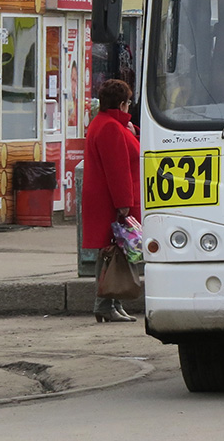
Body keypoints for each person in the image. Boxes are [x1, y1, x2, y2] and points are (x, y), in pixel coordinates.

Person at [81, 78, 142, 321]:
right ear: (122, 103)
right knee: (111, 254)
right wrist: (123, 205)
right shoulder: (111, 128)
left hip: (106, 198)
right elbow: (118, 170)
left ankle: (111, 304)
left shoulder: (105, 124)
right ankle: (105, 304)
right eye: (127, 102)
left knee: (115, 252)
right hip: (113, 201)